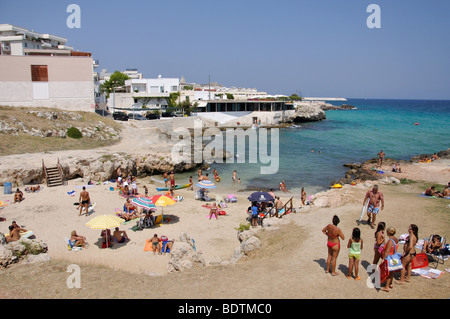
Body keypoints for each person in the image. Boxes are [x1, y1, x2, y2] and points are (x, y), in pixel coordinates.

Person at [381, 226, 399, 293]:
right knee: (392, 272)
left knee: (388, 272)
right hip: (394, 257)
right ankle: (390, 283)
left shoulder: (390, 241)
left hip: (390, 258)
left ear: (388, 232)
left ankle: (386, 286)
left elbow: (387, 251)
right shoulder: (395, 239)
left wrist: (383, 258)